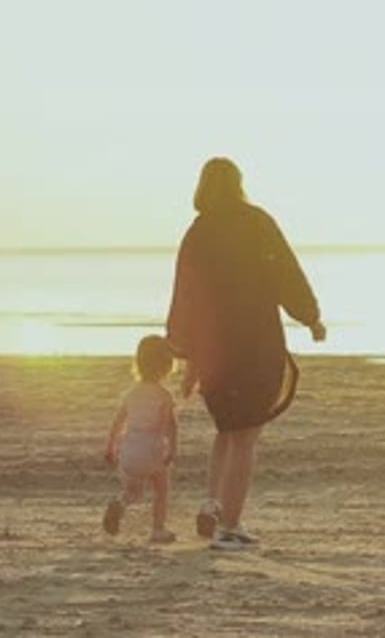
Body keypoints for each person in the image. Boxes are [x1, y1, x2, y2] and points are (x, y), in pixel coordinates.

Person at [166, 157, 326, 551]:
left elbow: (184, 290)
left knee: (227, 430)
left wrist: (184, 347)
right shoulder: (256, 222)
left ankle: (213, 504)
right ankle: (230, 525)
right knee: (246, 435)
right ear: (238, 184)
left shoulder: (197, 232)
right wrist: (310, 317)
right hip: (254, 341)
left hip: (214, 347)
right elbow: (286, 271)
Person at [103, 334, 178, 544]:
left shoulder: (131, 393)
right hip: (151, 449)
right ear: (168, 365)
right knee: (160, 489)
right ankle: (158, 529)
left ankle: (120, 503)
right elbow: (170, 426)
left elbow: (117, 423)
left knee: (133, 491)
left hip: (129, 450)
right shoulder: (164, 396)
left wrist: (111, 448)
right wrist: (171, 450)